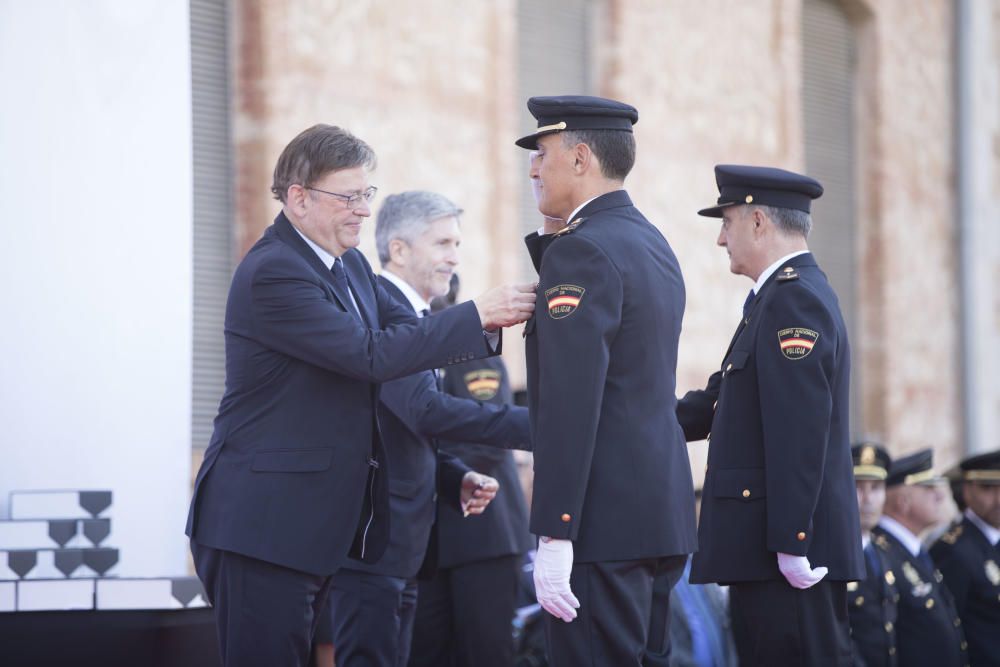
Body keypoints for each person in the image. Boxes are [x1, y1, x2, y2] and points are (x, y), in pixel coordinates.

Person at [184, 125, 535, 667]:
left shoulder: (347, 265)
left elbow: (410, 329)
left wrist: (488, 319)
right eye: (348, 197)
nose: (363, 211)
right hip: (261, 528)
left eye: (365, 195)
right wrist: (478, 314)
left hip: (312, 531)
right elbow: (371, 355)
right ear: (298, 197)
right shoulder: (275, 272)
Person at [516, 94, 698, 666]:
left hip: (600, 527)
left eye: (541, 153)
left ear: (580, 158)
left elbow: (574, 403)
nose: (532, 169)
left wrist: (555, 532)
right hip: (655, 516)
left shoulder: (582, 252)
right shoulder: (649, 241)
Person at [316, 190, 532, 667]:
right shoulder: (383, 314)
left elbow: (396, 434)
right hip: (377, 548)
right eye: (441, 243)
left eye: (456, 244)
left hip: (402, 550)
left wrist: (453, 476)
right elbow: (423, 410)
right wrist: (538, 427)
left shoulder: (412, 315)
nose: (454, 257)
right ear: (398, 250)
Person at [677, 164, 864, 666]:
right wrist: (632, 425)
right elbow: (719, 402)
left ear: (758, 221)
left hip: (786, 555)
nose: (720, 238)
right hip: (769, 549)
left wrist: (792, 541)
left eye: (727, 222)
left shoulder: (793, 300)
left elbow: (801, 429)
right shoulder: (772, 299)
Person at [408, 272, 534, 667]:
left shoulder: (470, 349)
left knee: (483, 653)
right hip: (431, 541)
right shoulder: (407, 349)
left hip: (483, 536)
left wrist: (420, 455)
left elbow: (486, 434)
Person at [873, 449, 966, 667]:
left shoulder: (913, 550)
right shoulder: (883, 553)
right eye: (928, 488)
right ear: (902, 500)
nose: (940, 495)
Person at [930, 449, 1000, 667]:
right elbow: (946, 627)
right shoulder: (953, 549)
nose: (998, 499)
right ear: (967, 491)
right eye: (988, 489)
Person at [848, 442, 900, 666]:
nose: (867, 499)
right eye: (858, 487)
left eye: (876, 488)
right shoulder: (827, 556)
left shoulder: (882, 551)